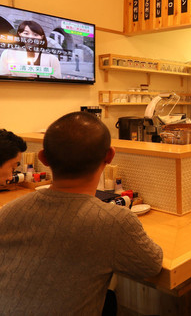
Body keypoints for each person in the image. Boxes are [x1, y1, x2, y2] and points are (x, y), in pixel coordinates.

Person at [0, 112, 163, 314]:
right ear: (110, 156)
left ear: (43, 158)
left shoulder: (8, 212)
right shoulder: (115, 221)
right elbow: (152, 265)